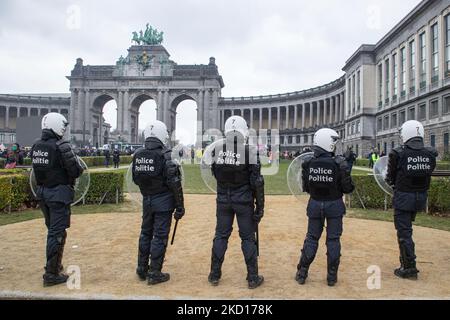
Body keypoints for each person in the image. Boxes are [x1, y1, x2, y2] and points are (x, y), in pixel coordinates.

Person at [208, 116, 265, 289]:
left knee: (221, 236)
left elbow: (215, 174)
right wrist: (260, 208)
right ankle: (252, 277)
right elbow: (257, 183)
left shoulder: (216, 150)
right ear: (243, 130)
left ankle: (214, 274)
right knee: (247, 238)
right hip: (243, 200)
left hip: (223, 199)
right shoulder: (250, 151)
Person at [296, 128, 354, 287]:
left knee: (312, 238)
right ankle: (331, 276)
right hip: (334, 205)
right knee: (333, 240)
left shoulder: (308, 163)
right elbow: (348, 188)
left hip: (315, 204)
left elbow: (306, 187)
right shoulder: (339, 163)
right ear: (328, 143)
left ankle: (302, 273)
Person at [31, 113, 84, 287]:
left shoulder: (37, 146)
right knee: (57, 233)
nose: (64, 129)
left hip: (43, 194)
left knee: (52, 231)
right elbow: (76, 171)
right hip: (59, 194)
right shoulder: (61, 146)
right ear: (56, 125)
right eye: (62, 126)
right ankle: (51, 273)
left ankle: (54, 265)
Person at [132, 120, 185, 285]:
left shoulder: (138, 154)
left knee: (145, 234)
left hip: (147, 200)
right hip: (163, 201)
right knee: (160, 236)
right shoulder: (166, 156)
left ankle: (142, 269)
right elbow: (175, 184)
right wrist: (180, 206)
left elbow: (135, 178)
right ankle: (155, 272)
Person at [385, 120, 437, 280]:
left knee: (404, 233)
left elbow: (390, 177)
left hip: (403, 198)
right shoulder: (431, 152)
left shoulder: (398, 153)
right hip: (420, 198)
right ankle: (407, 263)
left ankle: (409, 267)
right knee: (406, 232)